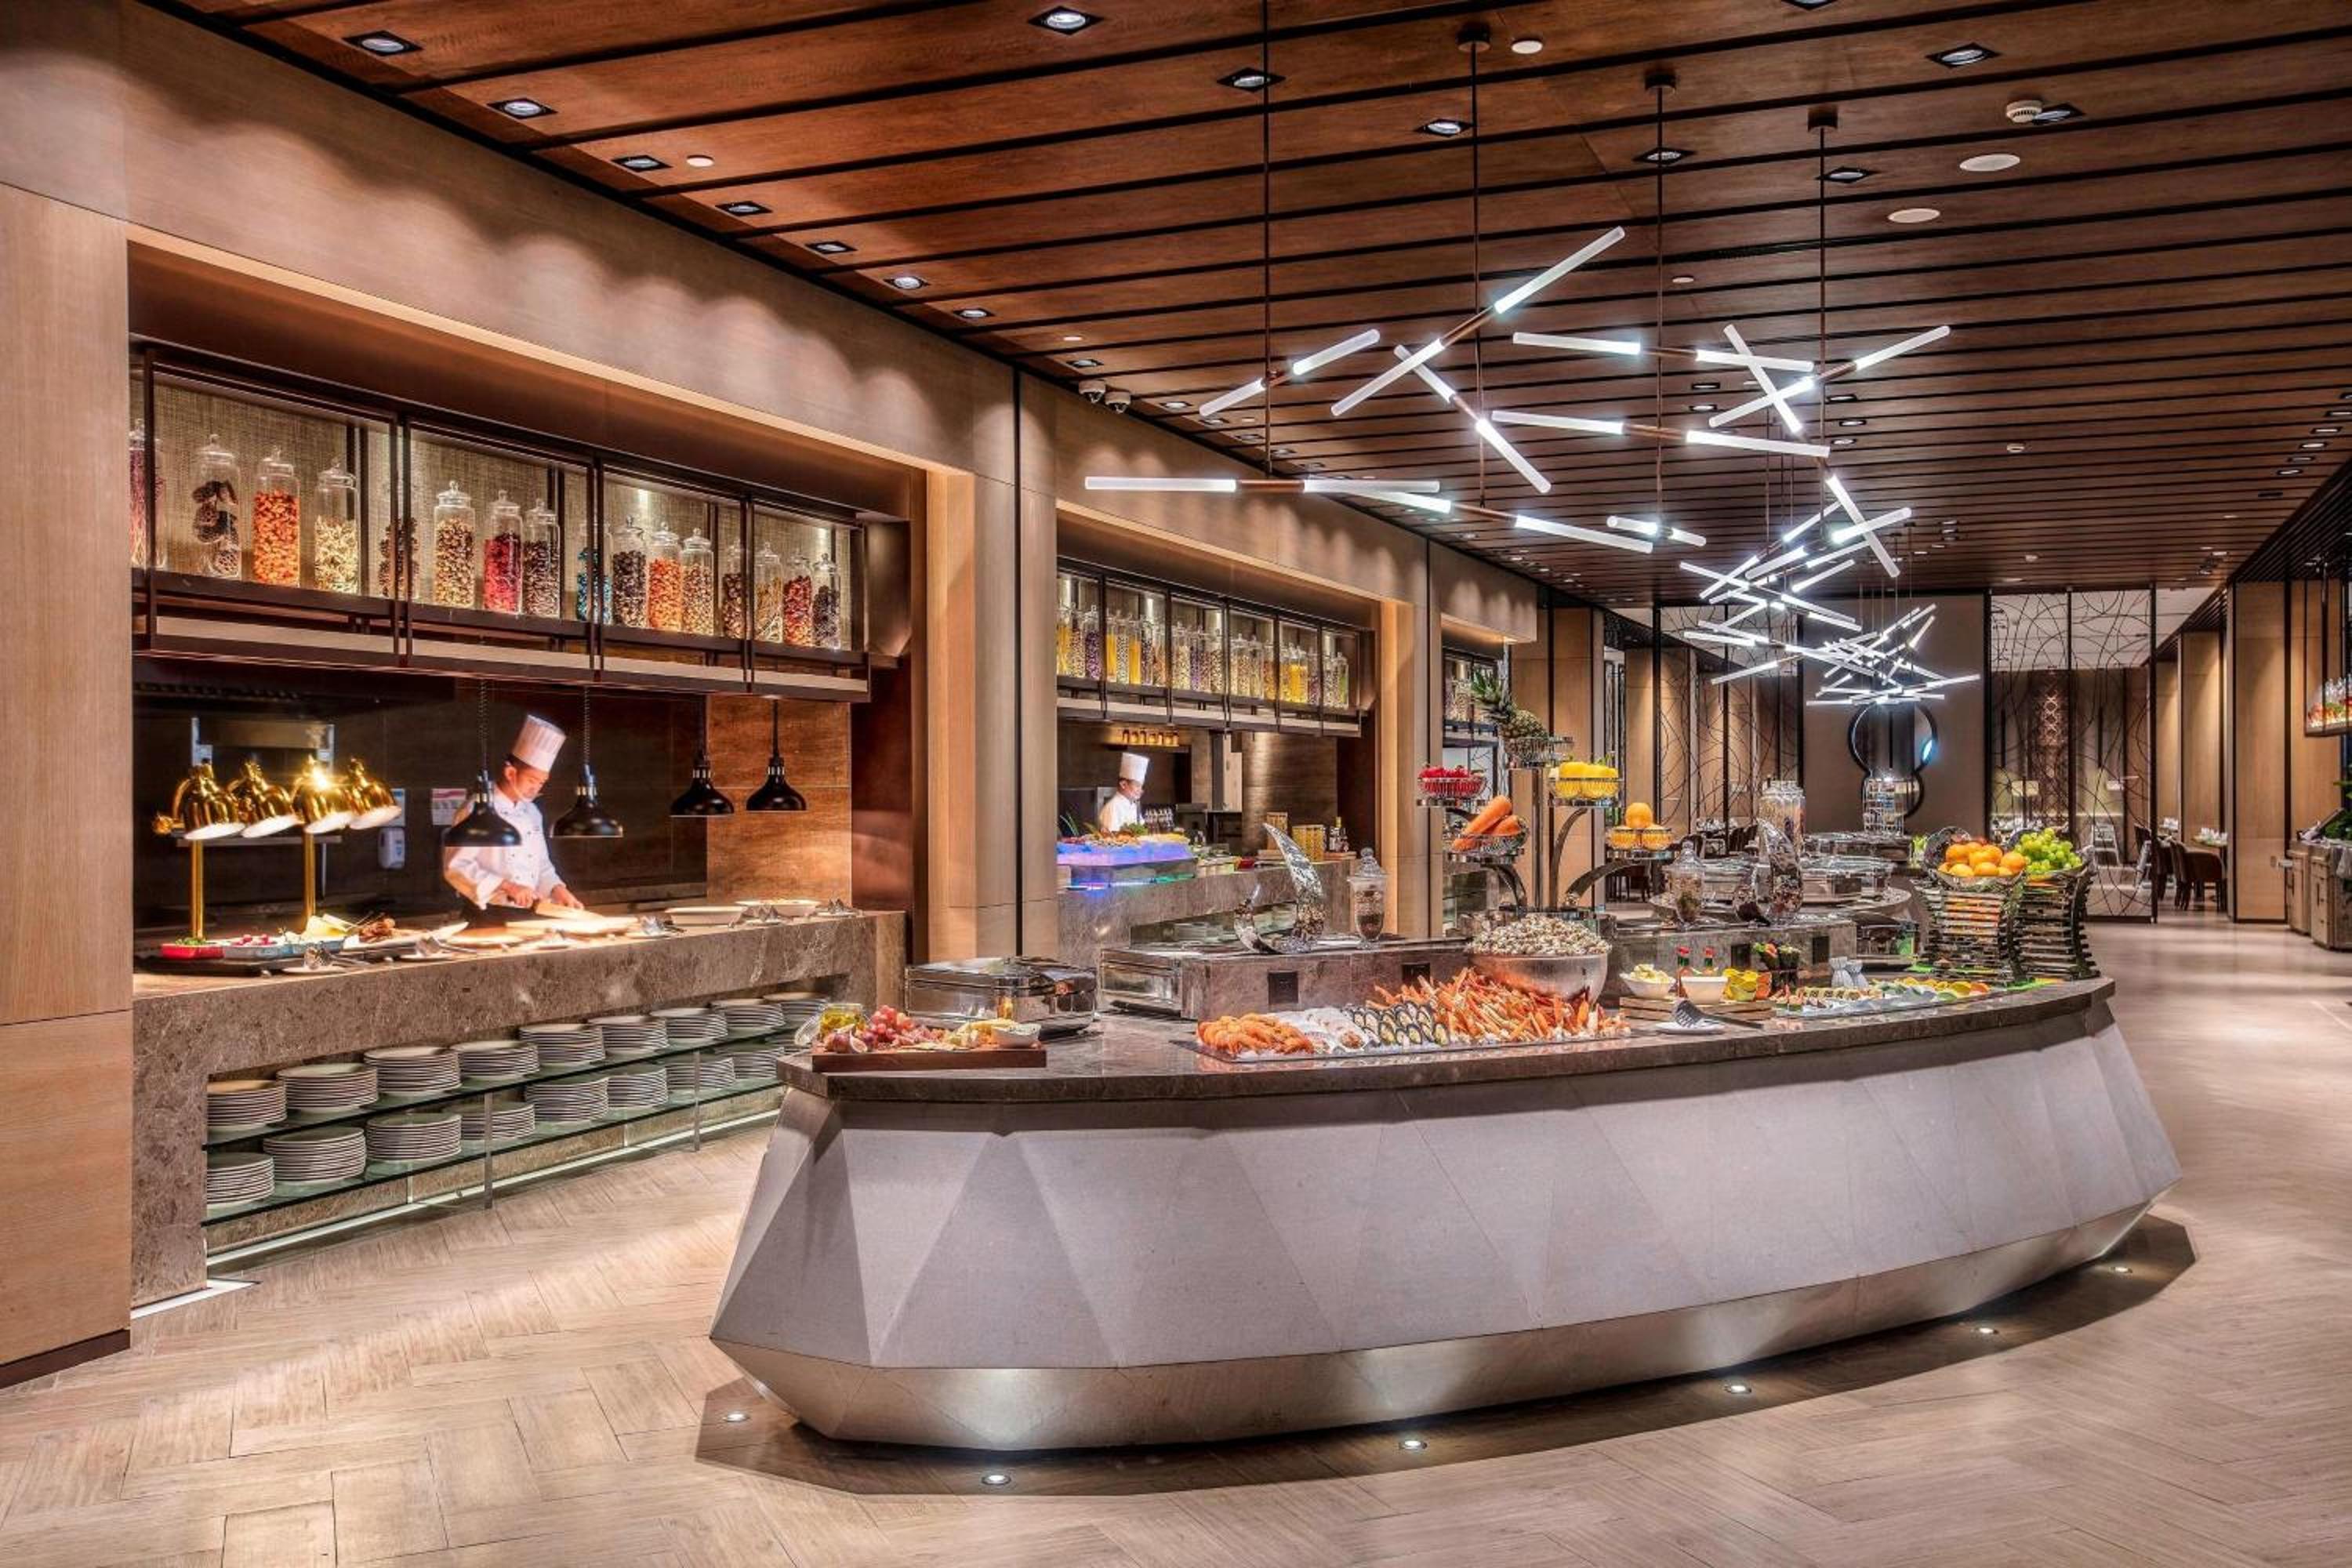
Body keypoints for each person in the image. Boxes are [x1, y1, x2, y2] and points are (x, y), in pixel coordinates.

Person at [443, 715, 586, 917]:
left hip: (530, 913)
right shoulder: (475, 810)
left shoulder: (532, 812)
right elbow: (456, 868)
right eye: (532, 780)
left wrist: (557, 889)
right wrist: (507, 886)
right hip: (487, 915)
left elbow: (541, 863)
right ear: (510, 773)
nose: (536, 788)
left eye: (541, 782)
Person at [1095, 750, 1149, 833]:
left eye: (1141, 786)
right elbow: (1112, 836)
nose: (1141, 790)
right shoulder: (1114, 806)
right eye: (1137, 786)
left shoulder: (1133, 805)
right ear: (1123, 784)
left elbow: (1141, 829)